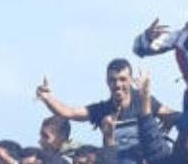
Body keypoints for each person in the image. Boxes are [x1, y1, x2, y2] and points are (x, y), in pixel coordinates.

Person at [36, 58, 173, 153]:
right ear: (107, 82)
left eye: (122, 79)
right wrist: (47, 97)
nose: (118, 85)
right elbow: (68, 113)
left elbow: (172, 115)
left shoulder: (143, 101)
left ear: (131, 80)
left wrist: (167, 125)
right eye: (113, 80)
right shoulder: (103, 110)